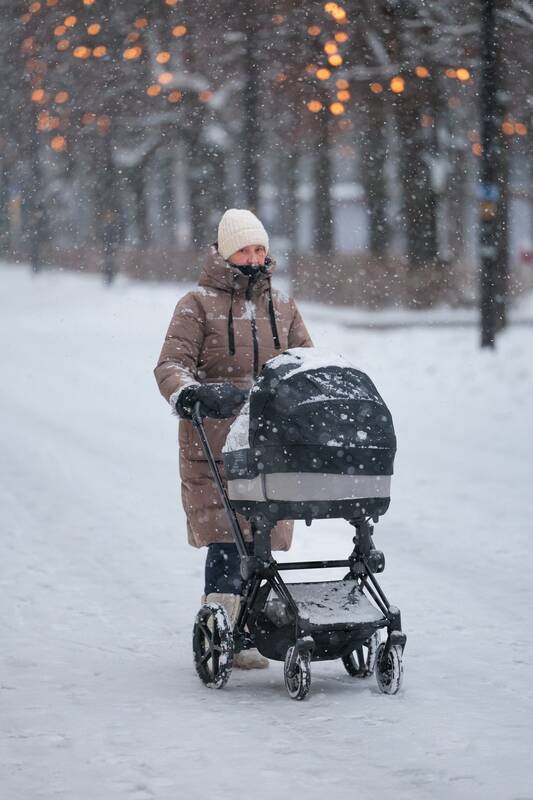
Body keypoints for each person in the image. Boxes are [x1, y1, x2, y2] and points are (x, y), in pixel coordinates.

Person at [154, 208, 313, 669]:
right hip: (213, 442)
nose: (254, 256)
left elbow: (305, 360)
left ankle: (256, 624)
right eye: (244, 248)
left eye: (260, 248)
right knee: (227, 539)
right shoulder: (196, 304)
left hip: (269, 442)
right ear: (225, 252)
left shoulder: (281, 306)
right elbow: (170, 364)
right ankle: (223, 623)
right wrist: (190, 392)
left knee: (262, 538)